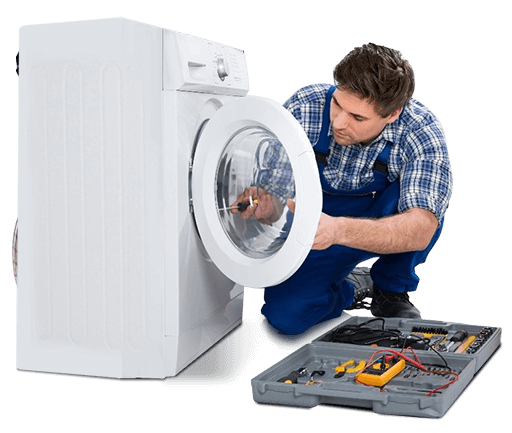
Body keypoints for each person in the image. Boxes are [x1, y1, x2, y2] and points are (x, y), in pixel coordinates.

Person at [232, 44, 453, 344]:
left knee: (421, 210)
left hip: (372, 220)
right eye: (337, 104)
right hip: (315, 226)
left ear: (392, 114)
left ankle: (390, 288)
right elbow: (279, 208)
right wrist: (268, 207)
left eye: (357, 118)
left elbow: (420, 229)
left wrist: (338, 230)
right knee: (286, 321)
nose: (338, 122)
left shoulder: (420, 130)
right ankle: (351, 287)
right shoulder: (304, 107)